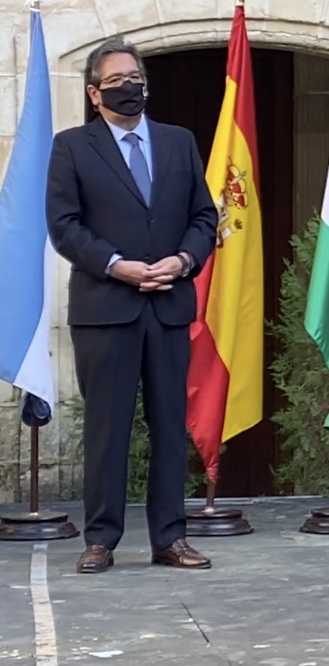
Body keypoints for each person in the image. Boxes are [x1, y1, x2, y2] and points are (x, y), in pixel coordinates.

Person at [46, 39, 218, 573]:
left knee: (170, 424)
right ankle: (101, 539)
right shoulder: (72, 146)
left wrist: (185, 260)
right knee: (108, 426)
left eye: (135, 77)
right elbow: (64, 225)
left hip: (168, 304)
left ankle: (170, 538)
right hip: (106, 306)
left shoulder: (178, 141)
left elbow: (204, 217)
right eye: (117, 79)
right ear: (95, 92)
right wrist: (115, 263)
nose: (130, 86)